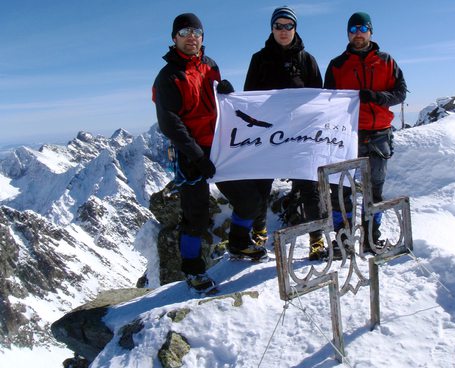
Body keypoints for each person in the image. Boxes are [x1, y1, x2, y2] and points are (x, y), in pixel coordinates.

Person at [221, 5, 325, 261]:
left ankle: (316, 240)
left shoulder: (307, 60)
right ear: (272, 28)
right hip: (267, 136)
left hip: (300, 136)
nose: (283, 30)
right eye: (278, 25)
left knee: (309, 187)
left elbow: (320, 99)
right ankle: (259, 232)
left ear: (295, 28)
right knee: (261, 185)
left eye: (288, 25)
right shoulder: (259, 59)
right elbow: (250, 98)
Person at [152, 13, 233, 292]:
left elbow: (217, 105)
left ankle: (242, 243)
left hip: (220, 145)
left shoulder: (211, 66)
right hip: (191, 153)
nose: (191, 36)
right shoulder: (168, 77)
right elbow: (170, 123)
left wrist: (226, 93)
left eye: (196, 31)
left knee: (247, 191)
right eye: (185, 31)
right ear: (174, 38)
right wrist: (197, 156)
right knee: (195, 213)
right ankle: (193, 270)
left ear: (202, 37)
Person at [324, 11, 407, 253]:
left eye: (362, 29)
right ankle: (343, 239)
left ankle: (372, 238)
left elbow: (401, 92)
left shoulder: (387, 61)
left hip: (379, 133)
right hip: (347, 135)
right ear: (347, 34)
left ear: (370, 31)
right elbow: (327, 100)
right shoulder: (337, 65)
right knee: (341, 189)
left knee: (375, 189)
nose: (357, 34)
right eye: (353, 30)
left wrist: (379, 97)